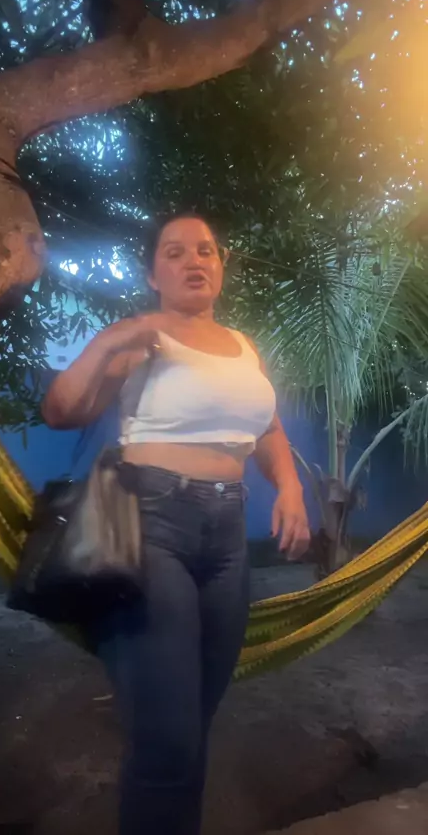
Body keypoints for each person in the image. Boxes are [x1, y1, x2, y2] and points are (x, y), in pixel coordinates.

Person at [42, 214, 310, 835]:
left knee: (192, 731)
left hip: (227, 538)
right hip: (152, 525)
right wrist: (113, 340)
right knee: (166, 743)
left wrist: (291, 487)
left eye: (206, 251)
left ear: (220, 267)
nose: (194, 260)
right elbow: (60, 411)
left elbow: (268, 428)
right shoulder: (142, 337)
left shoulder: (243, 346)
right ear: (152, 274)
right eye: (175, 251)